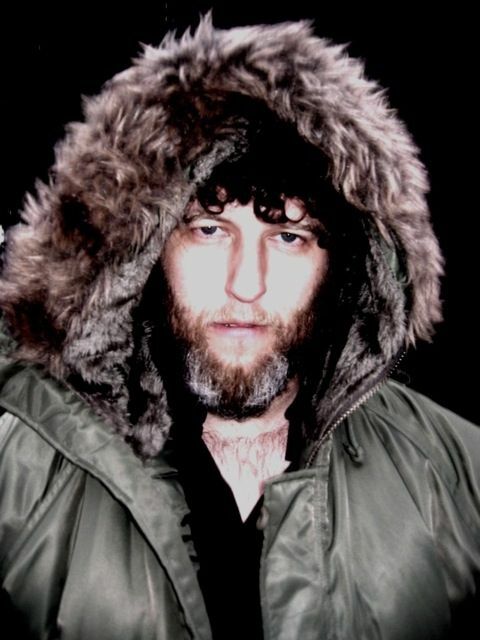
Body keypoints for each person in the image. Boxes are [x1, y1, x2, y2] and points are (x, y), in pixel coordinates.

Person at [0, 14, 479, 640]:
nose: (245, 284)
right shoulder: (22, 464)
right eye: (209, 229)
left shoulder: (454, 472)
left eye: (288, 236)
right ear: (144, 250)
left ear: (344, 266)